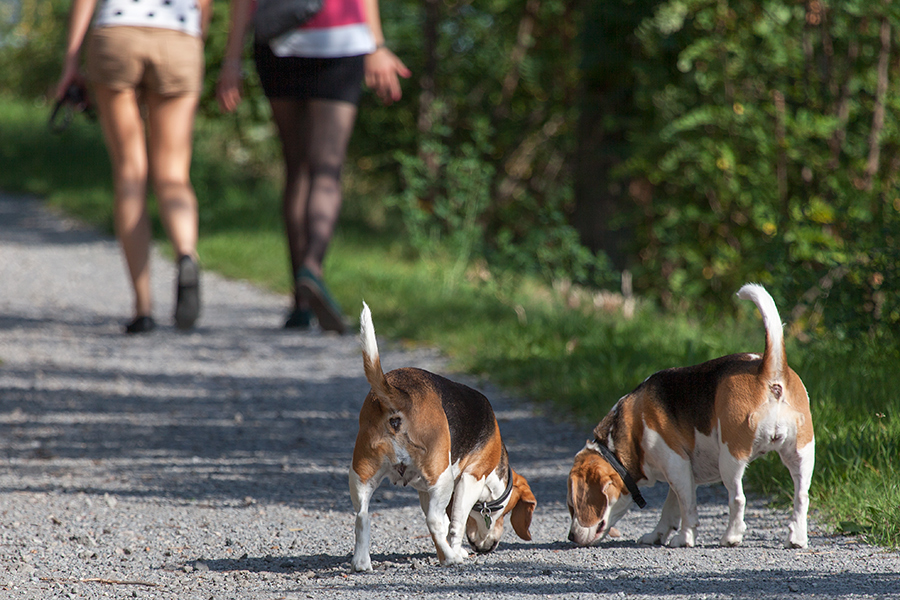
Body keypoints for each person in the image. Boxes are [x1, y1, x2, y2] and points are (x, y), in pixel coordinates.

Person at [217, 0, 410, 334]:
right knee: (326, 169)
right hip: (341, 39)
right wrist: (377, 46)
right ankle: (311, 267)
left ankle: (300, 304)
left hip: (279, 40)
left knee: (297, 169)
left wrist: (232, 60)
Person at [56, 0, 209, 334]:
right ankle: (185, 253)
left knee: (129, 174)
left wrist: (71, 61)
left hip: (117, 32)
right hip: (179, 34)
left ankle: (143, 308)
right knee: (173, 173)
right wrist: (196, 39)